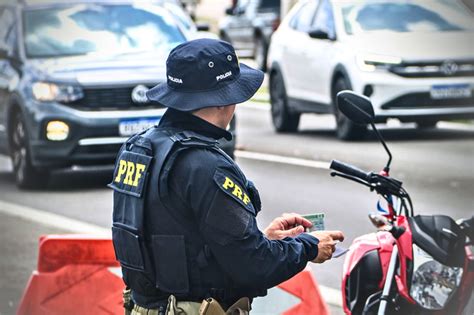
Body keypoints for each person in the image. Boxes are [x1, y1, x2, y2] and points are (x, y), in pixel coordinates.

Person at [110, 38, 344, 315]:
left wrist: (263, 239)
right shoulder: (206, 166)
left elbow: (179, 245)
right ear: (225, 100)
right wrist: (308, 247)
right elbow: (254, 267)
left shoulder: (138, 149)